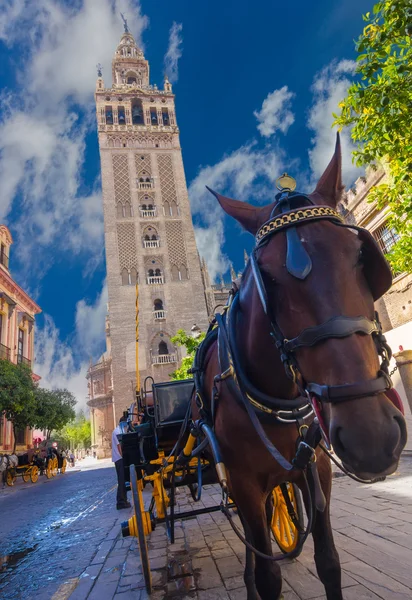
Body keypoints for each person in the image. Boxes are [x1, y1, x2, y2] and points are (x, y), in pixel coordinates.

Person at [112, 416, 131, 510]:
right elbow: (120, 447)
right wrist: (125, 458)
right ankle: (121, 501)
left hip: (119, 459)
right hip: (119, 459)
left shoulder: (120, 431)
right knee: (121, 480)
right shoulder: (117, 432)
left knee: (123, 480)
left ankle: (123, 500)